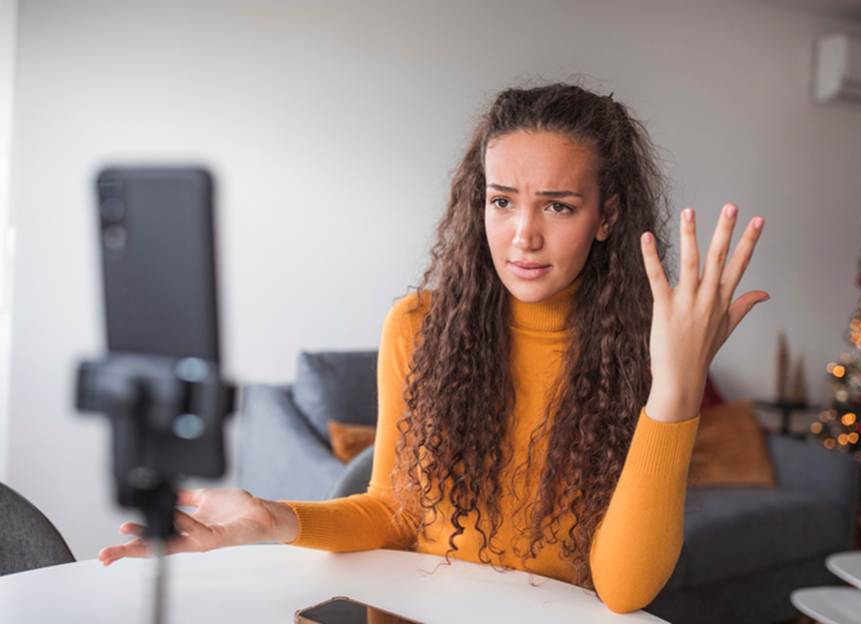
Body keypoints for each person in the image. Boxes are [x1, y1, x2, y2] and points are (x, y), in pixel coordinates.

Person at [98, 82, 768, 614]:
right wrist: (271, 518)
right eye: (502, 201)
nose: (521, 236)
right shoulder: (419, 326)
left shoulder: (639, 351)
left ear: (608, 216)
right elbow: (395, 511)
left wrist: (675, 388)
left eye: (558, 206)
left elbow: (623, 590)